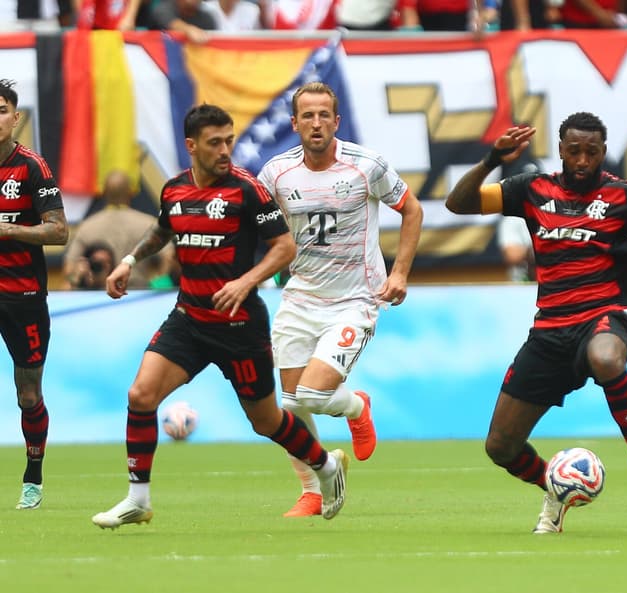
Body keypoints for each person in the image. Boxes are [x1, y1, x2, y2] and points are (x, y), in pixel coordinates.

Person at [444, 112, 627, 534]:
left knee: (606, 358)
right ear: (560, 150)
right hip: (548, 332)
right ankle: (556, 489)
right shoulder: (531, 190)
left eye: (591, 152)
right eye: (574, 151)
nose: (582, 160)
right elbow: (458, 203)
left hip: (601, 317)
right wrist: (492, 159)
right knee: (500, 447)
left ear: (602, 153)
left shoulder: (623, 196)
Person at [91, 104, 350, 529]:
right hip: (189, 320)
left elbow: (284, 247)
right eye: (215, 143)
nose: (225, 150)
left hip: (240, 326)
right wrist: (129, 259)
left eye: (229, 140)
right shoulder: (174, 190)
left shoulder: (246, 190)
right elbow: (163, 228)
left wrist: (245, 282)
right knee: (140, 396)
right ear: (191, 146)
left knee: (266, 421)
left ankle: (325, 466)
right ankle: (138, 499)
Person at [257, 82, 423, 517]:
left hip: (355, 299)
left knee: (310, 394)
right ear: (294, 124)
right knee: (289, 405)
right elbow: (258, 227)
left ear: (336, 121)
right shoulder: (276, 174)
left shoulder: (366, 166)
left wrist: (401, 271)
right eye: (307, 116)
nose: (316, 123)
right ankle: (313, 489)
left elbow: (411, 209)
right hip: (300, 297)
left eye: (323, 115)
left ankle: (356, 405)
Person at [0, 79, 69, 510]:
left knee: (28, 393)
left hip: (22, 296)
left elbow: (59, 230)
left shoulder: (32, 168)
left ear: (15, 118)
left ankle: (33, 479)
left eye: (1, 109)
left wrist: (9, 229)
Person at [62, 169, 175, 290]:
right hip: (139, 293)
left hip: (101, 294)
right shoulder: (147, 223)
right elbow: (169, 256)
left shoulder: (87, 226)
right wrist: (159, 283)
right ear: (131, 192)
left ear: (104, 192)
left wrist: (80, 277)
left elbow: (69, 268)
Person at [497, 215, 534, 282]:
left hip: (553, 281)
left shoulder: (556, 215)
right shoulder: (512, 218)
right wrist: (536, 250)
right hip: (522, 284)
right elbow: (512, 255)